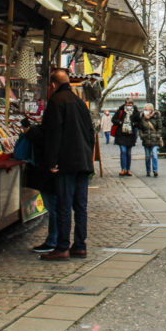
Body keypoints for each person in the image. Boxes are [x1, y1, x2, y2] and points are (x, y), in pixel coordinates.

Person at [39, 69, 95, 260]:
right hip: (83, 162)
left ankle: (62, 246)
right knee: (80, 206)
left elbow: (53, 133)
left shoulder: (56, 101)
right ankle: (80, 245)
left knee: (64, 204)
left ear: (53, 85)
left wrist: (52, 161)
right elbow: (90, 134)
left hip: (66, 162)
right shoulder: (80, 103)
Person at [20, 118, 57, 254]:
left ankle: (53, 241)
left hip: (46, 174)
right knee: (55, 207)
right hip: (51, 174)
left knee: (53, 208)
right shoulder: (56, 130)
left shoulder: (39, 132)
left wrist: (28, 129)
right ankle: (56, 240)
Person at [112, 99, 140, 176]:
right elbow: (113, 120)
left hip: (130, 135)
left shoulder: (136, 112)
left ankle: (128, 169)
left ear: (133, 104)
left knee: (128, 153)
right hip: (121, 134)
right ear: (125, 104)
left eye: (130, 104)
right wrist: (119, 122)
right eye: (128, 104)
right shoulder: (120, 111)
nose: (129, 105)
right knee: (123, 151)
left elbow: (139, 122)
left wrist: (134, 124)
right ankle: (123, 169)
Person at [138, 104, 162, 178]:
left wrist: (157, 135)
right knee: (147, 156)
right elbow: (140, 129)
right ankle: (148, 170)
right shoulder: (142, 118)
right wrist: (142, 136)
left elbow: (160, 128)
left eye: (146, 109)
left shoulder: (156, 117)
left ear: (151, 110)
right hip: (146, 139)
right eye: (144, 109)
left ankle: (155, 170)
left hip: (154, 139)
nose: (145, 111)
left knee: (154, 154)